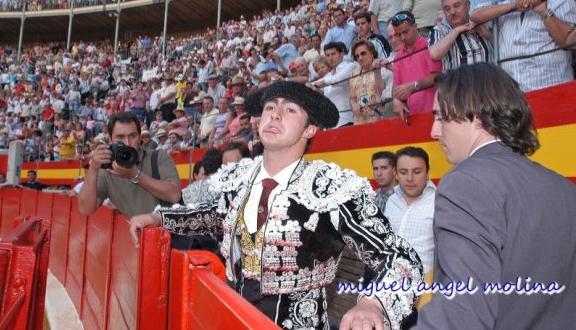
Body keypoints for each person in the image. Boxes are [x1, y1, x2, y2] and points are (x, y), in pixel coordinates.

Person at [129, 81, 423, 330]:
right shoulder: (241, 178)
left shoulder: (331, 186)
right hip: (234, 317)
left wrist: (373, 303)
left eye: (290, 110)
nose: (275, 114)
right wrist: (160, 219)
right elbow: (211, 214)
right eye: (270, 108)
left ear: (310, 130)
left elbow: (400, 257)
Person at [416, 62, 576, 329]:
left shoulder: (465, 183)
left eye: (441, 117)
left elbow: (461, 312)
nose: (434, 132)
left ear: (477, 117)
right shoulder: (564, 188)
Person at [471, 0, 576, 91]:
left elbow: (567, 42)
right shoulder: (505, 6)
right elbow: (475, 15)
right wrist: (512, 6)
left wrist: (545, 11)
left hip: (552, 87)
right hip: (515, 96)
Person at [77, 112, 181, 218]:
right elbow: (86, 209)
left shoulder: (158, 157)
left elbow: (174, 195)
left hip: (169, 232)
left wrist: (135, 175)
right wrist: (93, 168)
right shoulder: (106, 169)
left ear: (140, 137)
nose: (127, 143)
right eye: (120, 137)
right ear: (110, 139)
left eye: (132, 136)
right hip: (138, 233)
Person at [384, 146, 436, 275]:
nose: (410, 178)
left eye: (417, 172)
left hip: (425, 288)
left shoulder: (439, 203)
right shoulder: (391, 202)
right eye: (403, 172)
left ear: (427, 172)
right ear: (396, 173)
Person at [390, 11, 442, 121]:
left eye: (406, 32)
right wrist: (396, 100)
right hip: (412, 117)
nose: (402, 37)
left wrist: (413, 86)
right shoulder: (398, 56)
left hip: (435, 113)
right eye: (398, 34)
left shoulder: (429, 45)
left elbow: (437, 77)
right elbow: (396, 88)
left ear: (415, 26)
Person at [428, 0, 493, 70]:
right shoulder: (440, 30)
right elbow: (434, 54)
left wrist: (488, 35)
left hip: (489, 79)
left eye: (457, 6)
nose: (452, 12)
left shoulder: (482, 24)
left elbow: (502, 47)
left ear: (468, 6)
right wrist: (456, 30)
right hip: (458, 81)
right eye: (447, 9)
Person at [349, 40, 386, 124]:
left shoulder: (382, 68)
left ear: (372, 53)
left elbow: (384, 92)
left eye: (363, 53)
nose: (360, 58)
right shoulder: (353, 74)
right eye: (357, 56)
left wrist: (377, 100)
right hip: (360, 121)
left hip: (380, 119)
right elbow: (352, 98)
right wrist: (354, 105)